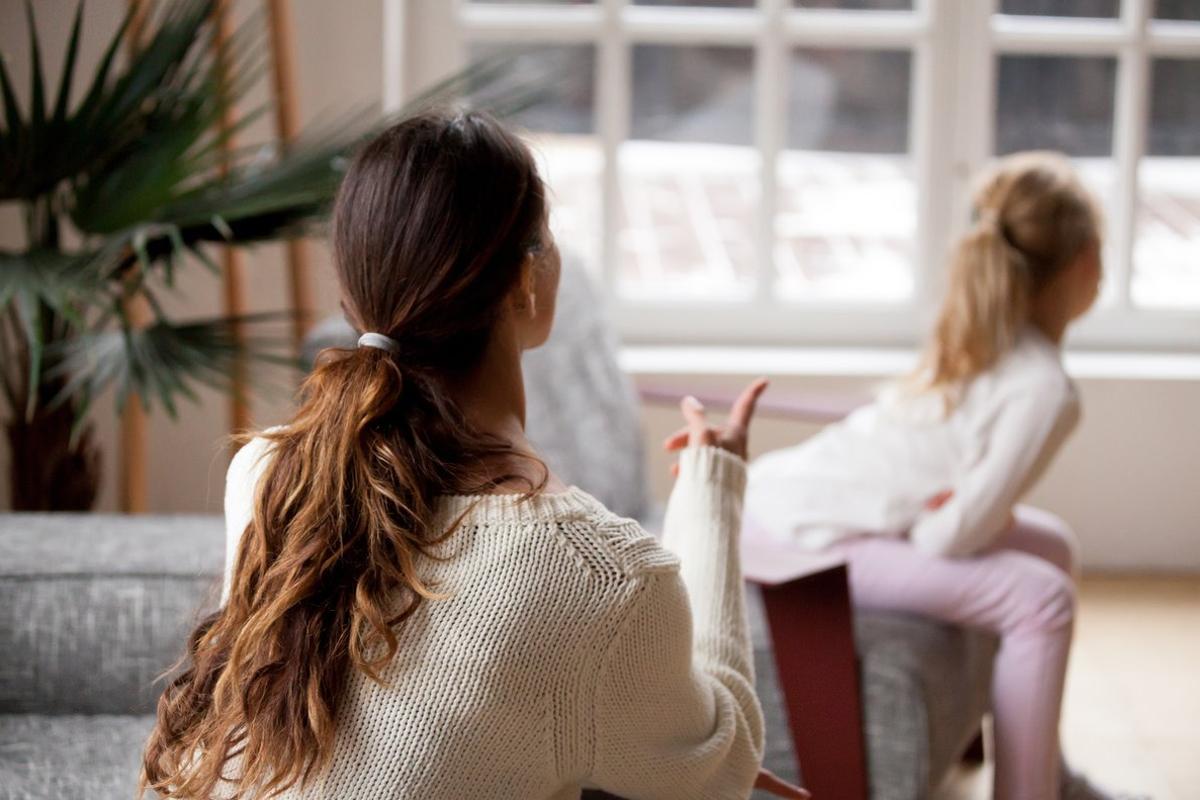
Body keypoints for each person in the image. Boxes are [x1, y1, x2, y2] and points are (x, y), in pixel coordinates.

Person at [138, 111, 798, 800]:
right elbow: (718, 767)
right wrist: (712, 487)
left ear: (353, 295)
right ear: (526, 281)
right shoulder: (599, 577)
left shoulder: (268, 472)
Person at [745, 152, 1131, 800]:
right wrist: (955, 513)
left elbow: (958, 520)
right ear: (1088, 259)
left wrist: (963, 512)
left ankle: (1052, 779)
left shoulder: (986, 336)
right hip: (797, 541)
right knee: (1041, 599)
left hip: (778, 500)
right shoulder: (1043, 388)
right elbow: (944, 540)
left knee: (1052, 547)